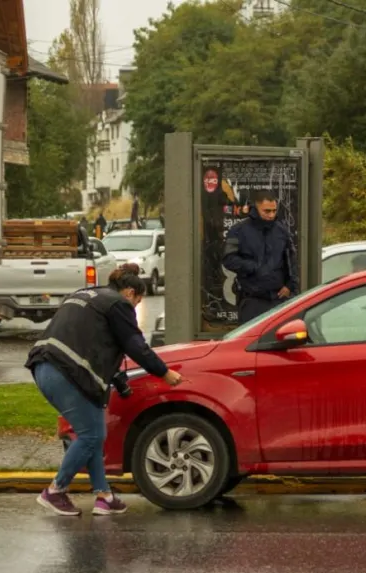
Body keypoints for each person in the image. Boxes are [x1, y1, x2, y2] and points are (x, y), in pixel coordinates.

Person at [25, 264, 185, 516]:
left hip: (44, 367)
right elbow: (136, 345)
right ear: (130, 292)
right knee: (91, 436)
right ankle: (55, 491)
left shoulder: (85, 294)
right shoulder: (118, 304)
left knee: (94, 435)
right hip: (68, 373)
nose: (135, 307)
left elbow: (91, 340)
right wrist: (164, 372)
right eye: (138, 301)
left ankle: (104, 496)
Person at [222, 190, 299, 323]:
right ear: (256, 209)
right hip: (251, 300)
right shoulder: (238, 230)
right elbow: (228, 259)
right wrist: (254, 267)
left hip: (278, 299)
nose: (271, 215)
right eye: (267, 211)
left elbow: (291, 259)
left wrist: (290, 286)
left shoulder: (281, 231)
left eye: (274, 211)